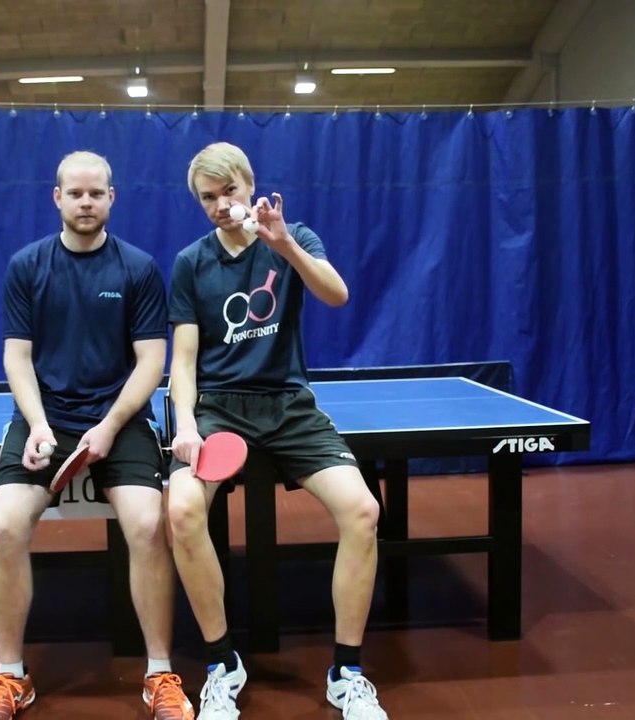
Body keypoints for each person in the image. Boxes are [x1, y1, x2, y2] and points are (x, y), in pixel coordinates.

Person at [166, 142, 389, 720]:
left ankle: (347, 672)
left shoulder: (294, 237)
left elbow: (337, 295)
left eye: (229, 192)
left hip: (288, 405)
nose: (220, 205)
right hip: (218, 408)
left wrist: (282, 243)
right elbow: (183, 361)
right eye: (208, 198)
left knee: (363, 511)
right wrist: (184, 425)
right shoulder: (191, 263)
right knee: (182, 511)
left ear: (250, 184)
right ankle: (222, 664)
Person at [0, 151, 193, 720]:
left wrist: (110, 426)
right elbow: (16, 357)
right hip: (46, 418)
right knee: (1, 527)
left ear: (112, 198)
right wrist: (40, 423)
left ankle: (160, 673)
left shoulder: (138, 268)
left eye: (97, 194)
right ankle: (10, 678)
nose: (87, 202)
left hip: (119, 418)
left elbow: (151, 363)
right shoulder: (27, 266)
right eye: (76, 194)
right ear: (58, 197)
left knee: (147, 525)